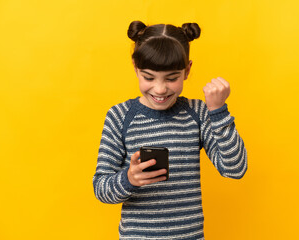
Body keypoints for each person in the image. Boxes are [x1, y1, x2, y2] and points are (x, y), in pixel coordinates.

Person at [93, 20, 248, 240]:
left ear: (187, 70)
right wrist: (129, 179)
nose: (160, 89)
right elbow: (101, 189)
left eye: (172, 78)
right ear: (136, 69)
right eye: (148, 77)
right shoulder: (119, 116)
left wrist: (219, 111)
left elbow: (235, 169)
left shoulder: (198, 113)